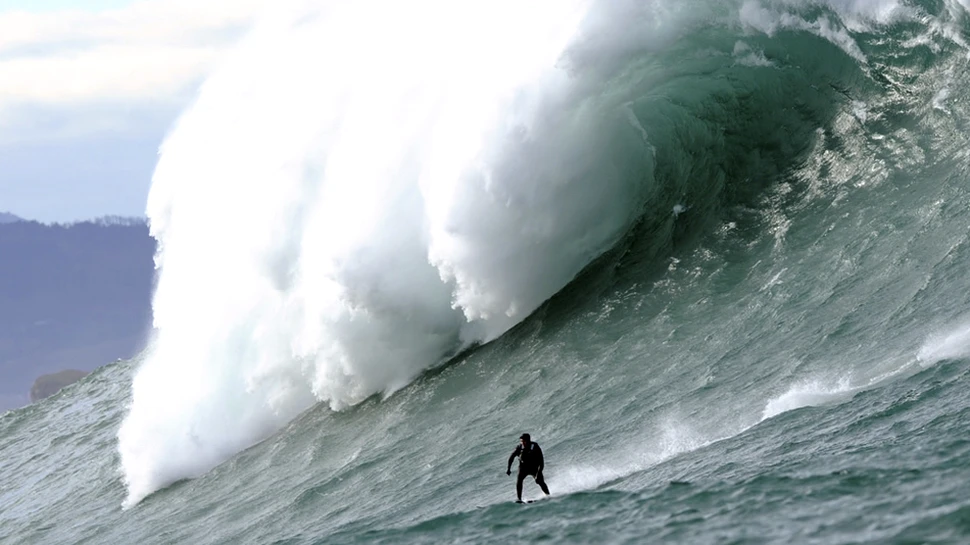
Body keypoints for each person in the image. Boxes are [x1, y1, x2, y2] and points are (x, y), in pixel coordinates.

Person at [506, 433, 550, 502]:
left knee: (539, 481)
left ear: (528, 440)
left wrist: (539, 472)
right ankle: (519, 499)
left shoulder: (535, 446)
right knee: (519, 481)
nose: (522, 443)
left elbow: (541, 461)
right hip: (523, 468)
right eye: (521, 441)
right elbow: (511, 457)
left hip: (534, 467)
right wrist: (509, 468)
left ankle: (548, 495)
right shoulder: (519, 447)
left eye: (524, 441)